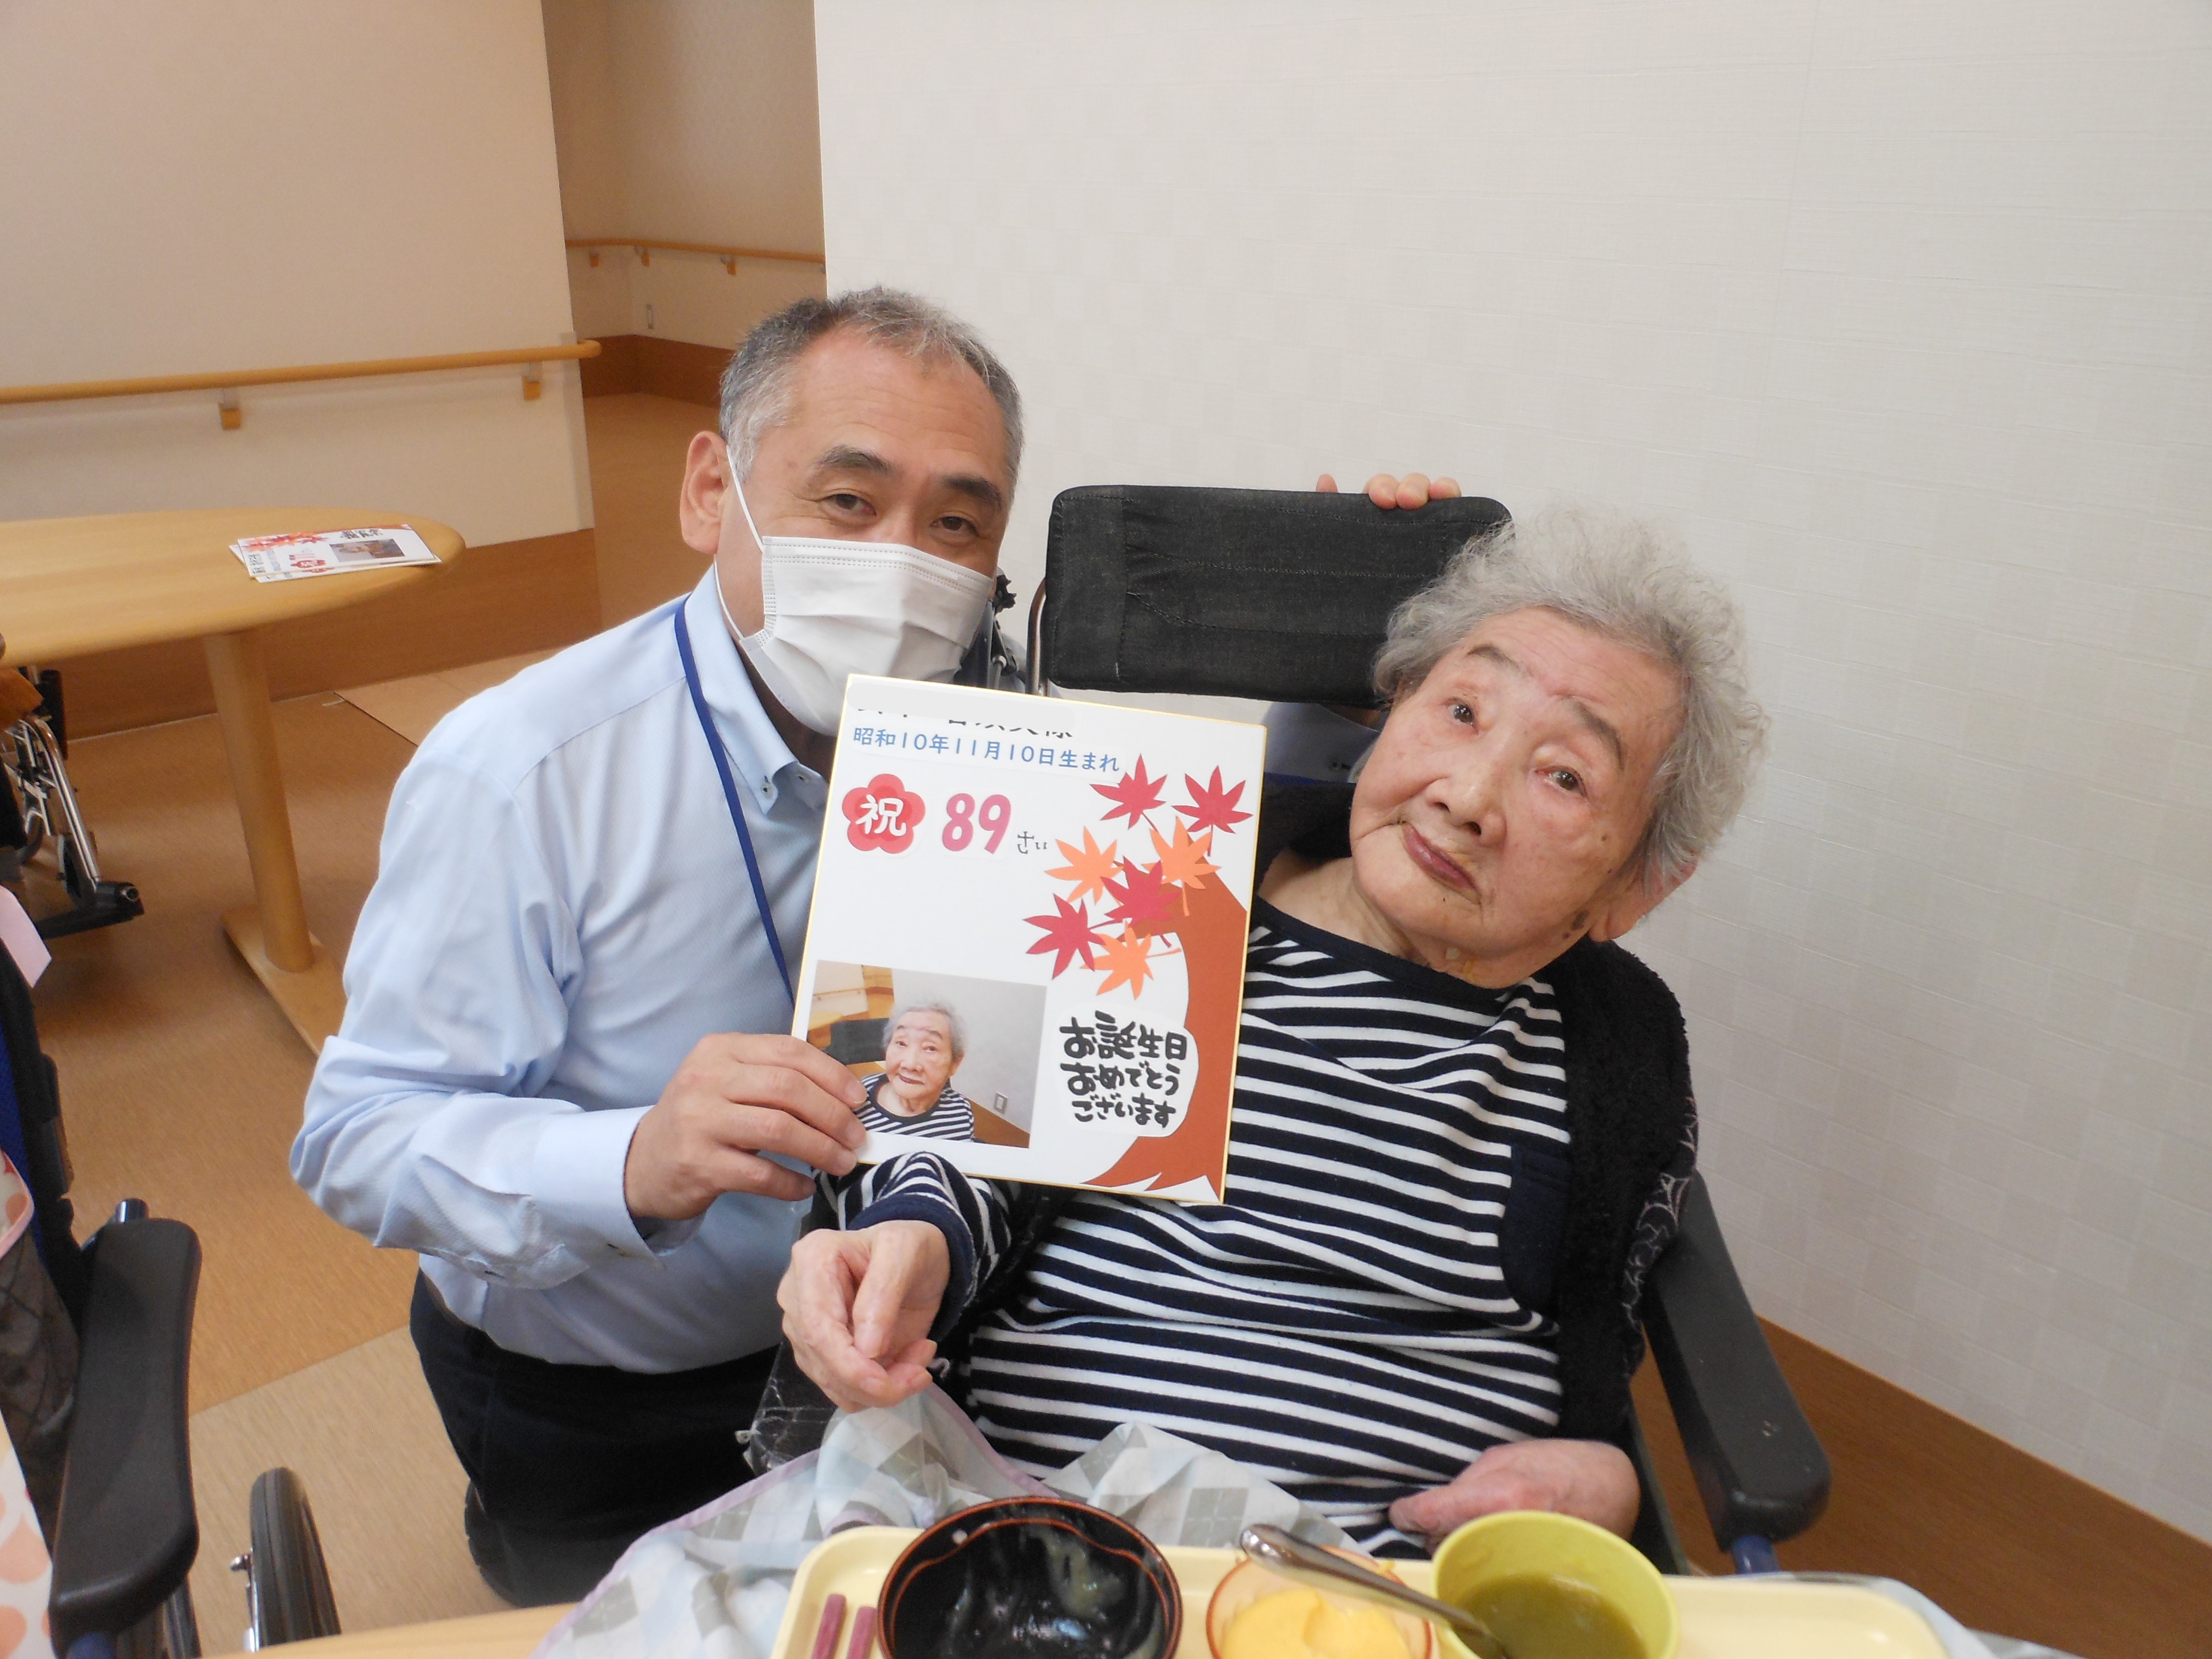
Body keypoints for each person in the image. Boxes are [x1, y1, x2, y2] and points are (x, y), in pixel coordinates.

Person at [290, 281, 1458, 1600]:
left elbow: (1207, 863)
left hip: (906, 1342)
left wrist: (1369, 664)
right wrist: (632, 1159)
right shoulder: (523, 770)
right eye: (847, 501)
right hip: (610, 1386)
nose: (903, 560)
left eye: (956, 524)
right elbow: (357, 1134)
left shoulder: (1013, 725)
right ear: (710, 491)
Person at [775, 505, 1767, 1554]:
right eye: (1462, 710)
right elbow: (975, 1144)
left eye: (1565, 775)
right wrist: (916, 1238)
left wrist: (1603, 1475)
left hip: (1381, 1594)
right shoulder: (1159, 893)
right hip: (1039, 1545)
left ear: (1637, 887)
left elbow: (1597, 1348)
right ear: (1392, 705)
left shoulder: (1612, 1049)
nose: (1467, 796)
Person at [852, 1004, 975, 1141]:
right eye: (901, 1043)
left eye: (931, 1048)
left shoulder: (960, 1113)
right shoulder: (857, 1102)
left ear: (955, 1063)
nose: (910, 1065)